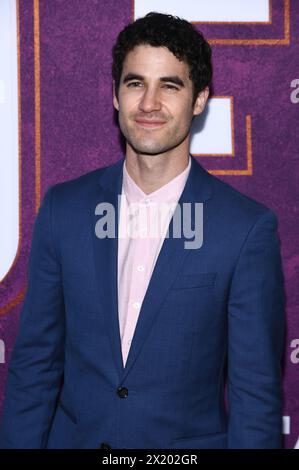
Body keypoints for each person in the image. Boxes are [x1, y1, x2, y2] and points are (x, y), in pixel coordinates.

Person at [0, 12, 285, 449]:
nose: (149, 103)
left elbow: (255, 395)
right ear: (116, 95)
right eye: (135, 83)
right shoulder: (64, 209)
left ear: (199, 99)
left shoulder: (245, 229)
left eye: (169, 86)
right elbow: (35, 366)